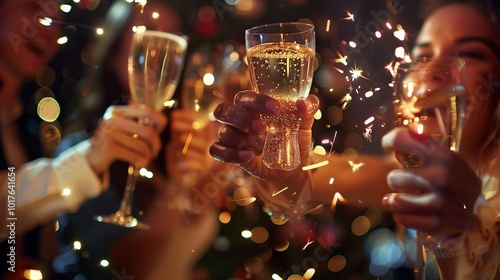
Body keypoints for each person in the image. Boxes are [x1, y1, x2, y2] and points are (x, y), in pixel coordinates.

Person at [210, 1, 500, 278]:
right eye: (423, 57)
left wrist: (467, 222)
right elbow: (305, 183)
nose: (434, 72)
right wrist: (287, 166)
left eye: (471, 54)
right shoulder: (407, 174)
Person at [51, 2, 229, 279]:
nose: (162, 52)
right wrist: (176, 187)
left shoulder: (173, 146)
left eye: (173, 36)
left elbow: (184, 237)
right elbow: (125, 271)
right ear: (113, 52)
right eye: (149, 33)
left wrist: (207, 175)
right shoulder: (82, 152)